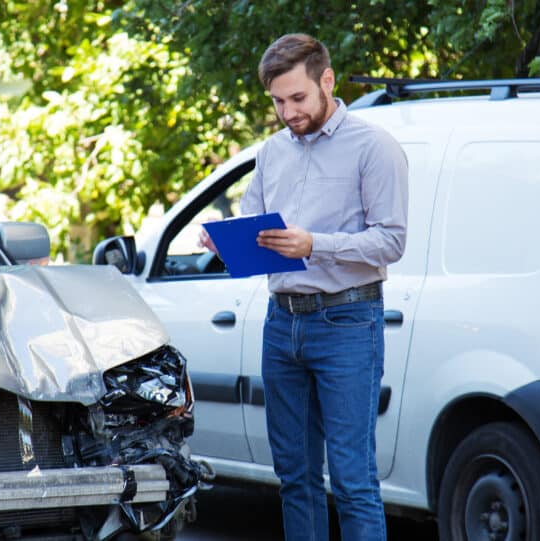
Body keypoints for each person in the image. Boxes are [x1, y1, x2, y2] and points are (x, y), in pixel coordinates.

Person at [200, 33, 408, 540]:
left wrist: (315, 244)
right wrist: (222, 240)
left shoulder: (373, 146)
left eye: (298, 98)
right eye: (277, 101)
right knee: (294, 477)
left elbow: (392, 241)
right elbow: (254, 222)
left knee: (353, 478)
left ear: (327, 81)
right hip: (282, 323)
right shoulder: (271, 152)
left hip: (348, 322)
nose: (288, 111)